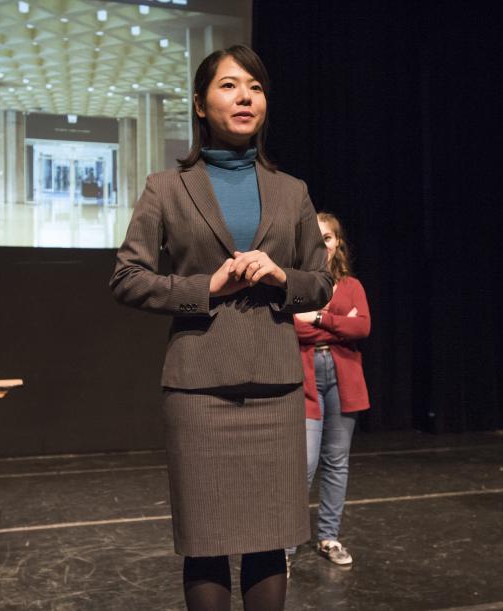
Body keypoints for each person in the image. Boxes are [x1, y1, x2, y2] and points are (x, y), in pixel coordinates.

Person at [110, 45, 332, 611]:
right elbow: (127, 277)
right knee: (205, 545)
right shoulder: (167, 187)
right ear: (200, 104)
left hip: (274, 384)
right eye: (230, 86)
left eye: (255, 87)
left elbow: (321, 283)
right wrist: (202, 289)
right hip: (198, 386)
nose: (244, 97)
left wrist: (283, 277)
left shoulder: (293, 191)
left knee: (268, 542)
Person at [292, 212, 370, 568]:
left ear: (337, 243)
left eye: (328, 237)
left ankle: (328, 537)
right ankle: (286, 547)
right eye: (315, 237)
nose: (322, 243)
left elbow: (363, 328)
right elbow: (295, 330)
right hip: (306, 376)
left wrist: (321, 318)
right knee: (304, 465)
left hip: (344, 376)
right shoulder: (295, 285)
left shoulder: (352, 286)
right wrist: (342, 323)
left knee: (337, 461)